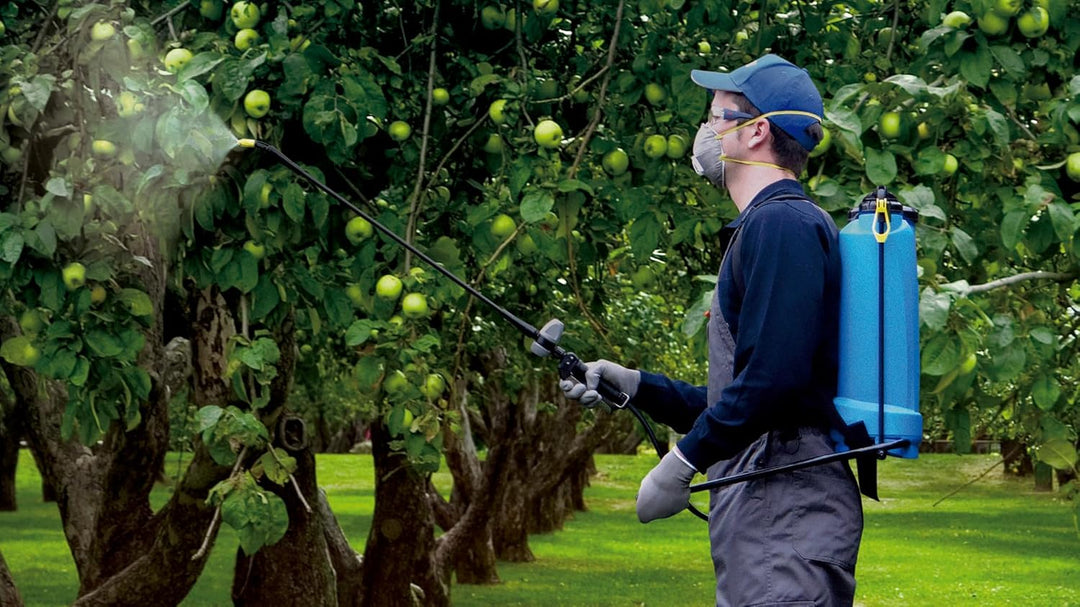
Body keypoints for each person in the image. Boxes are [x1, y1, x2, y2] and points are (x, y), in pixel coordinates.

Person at [560, 54, 863, 606]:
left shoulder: (782, 223)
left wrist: (681, 463)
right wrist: (638, 386)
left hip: (785, 516)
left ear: (757, 131)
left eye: (717, 117)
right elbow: (747, 396)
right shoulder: (770, 225)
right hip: (769, 516)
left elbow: (774, 383)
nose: (705, 133)